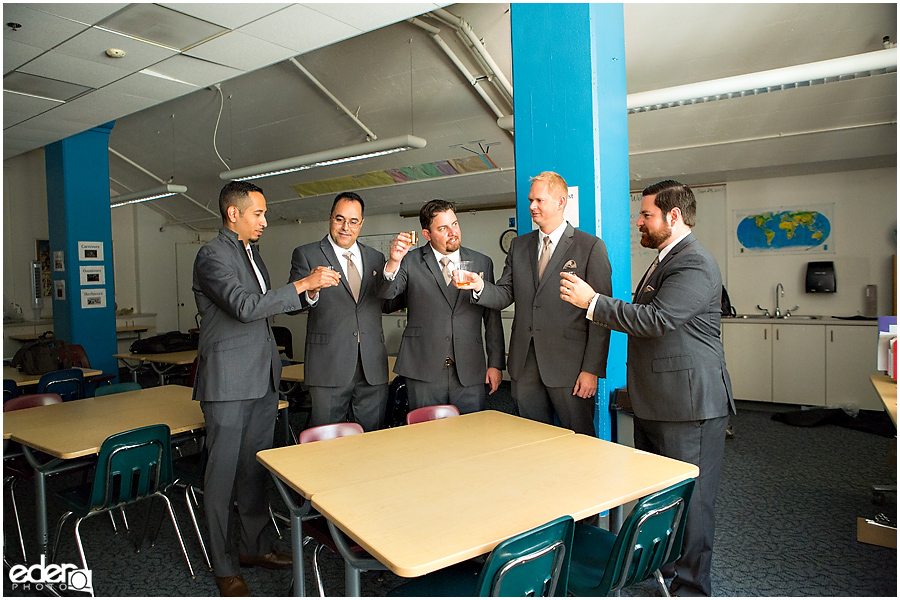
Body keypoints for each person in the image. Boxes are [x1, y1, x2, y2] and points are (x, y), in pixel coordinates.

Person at [560, 179, 736, 597]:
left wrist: (593, 302)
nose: (639, 221)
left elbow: (656, 320)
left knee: (692, 506)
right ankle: (665, 571)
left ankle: (692, 588)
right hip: (658, 402)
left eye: (646, 215)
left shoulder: (694, 262)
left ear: (673, 217)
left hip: (690, 407)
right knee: (662, 501)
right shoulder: (665, 258)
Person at [193, 181, 340, 597]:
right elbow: (243, 307)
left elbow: (265, 308)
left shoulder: (250, 252)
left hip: (260, 376)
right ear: (232, 214)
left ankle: (254, 547)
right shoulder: (212, 255)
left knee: (254, 470)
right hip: (227, 381)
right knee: (221, 479)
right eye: (257, 213)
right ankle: (224, 565)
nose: (264, 220)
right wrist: (300, 284)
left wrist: (308, 292)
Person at [462, 171, 612, 435]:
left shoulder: (589, 247)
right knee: (531, 440)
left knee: (579, 442)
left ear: (561, 202)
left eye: (539, 200)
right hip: (525, 365)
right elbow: (505, 294)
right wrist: (479, 287)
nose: (532, 206)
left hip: (570, 368)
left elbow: (599, 315)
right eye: (531, 200)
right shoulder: (519, 246)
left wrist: (592, 370)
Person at [288, 192, 401, 431]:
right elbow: (292, 306)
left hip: (371, 367)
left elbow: (386, 302)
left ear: (361, 223)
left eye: (353, 221)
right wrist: (311, 289)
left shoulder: (376, 257)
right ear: (330, 218)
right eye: (339, 219)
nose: (345, 227)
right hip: (329, 366)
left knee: (371, 438)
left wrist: (393, 268)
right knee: (328, 442)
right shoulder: (307, 254)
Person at [380, 199, 505, 413]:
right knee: (426, 436)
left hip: (469, 368)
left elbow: (491, 317)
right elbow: (386, 298)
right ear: (427, 234)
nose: (452, 232)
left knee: (471, 435)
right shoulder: (409, 261)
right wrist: (393, 262)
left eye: (454, 224)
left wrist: (495, 363)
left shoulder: (482, 262)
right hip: (422, 368)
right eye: (443, 228)